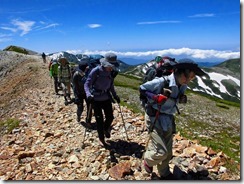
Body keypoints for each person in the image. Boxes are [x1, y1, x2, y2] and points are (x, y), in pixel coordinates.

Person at [139, 58, 206, 180]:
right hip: (155, 117)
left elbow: (177, 95)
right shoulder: (161, 82)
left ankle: (164, 173)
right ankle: (147, 160)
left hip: (168, 118)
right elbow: (142, 89)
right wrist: (155, 97)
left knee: (168, 152)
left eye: (192, 78)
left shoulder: (182, 85)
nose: (189, 81)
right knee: (161, 152)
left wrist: (181, 97)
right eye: (188, 77)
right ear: (180, 73)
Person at [84, 52, 120, 148]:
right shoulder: (96, 71)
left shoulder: (110, 72)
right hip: (95, 99)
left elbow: (110, 85)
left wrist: (115, 96)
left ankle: (105, 129)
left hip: (106, 97)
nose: (111, 67)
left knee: (110, 117)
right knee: (99, 120)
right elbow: (87, 84)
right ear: (105, 64)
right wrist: (88, 94)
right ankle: (101, 139)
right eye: (110, 66)